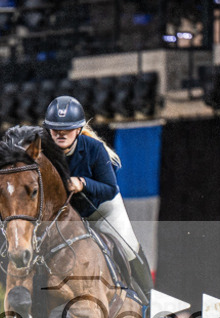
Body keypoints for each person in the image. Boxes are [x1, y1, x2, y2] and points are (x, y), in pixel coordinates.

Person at [42, 95, 154, 302]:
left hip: (102, 210)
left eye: (66, 129)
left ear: (77, 130)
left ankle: (152, 303)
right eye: (55, 128)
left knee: (128, 247)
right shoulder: (43, 152)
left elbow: (109, 189)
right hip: (68, 218)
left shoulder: (94, 149)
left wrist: (82, 183)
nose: (60, 133)